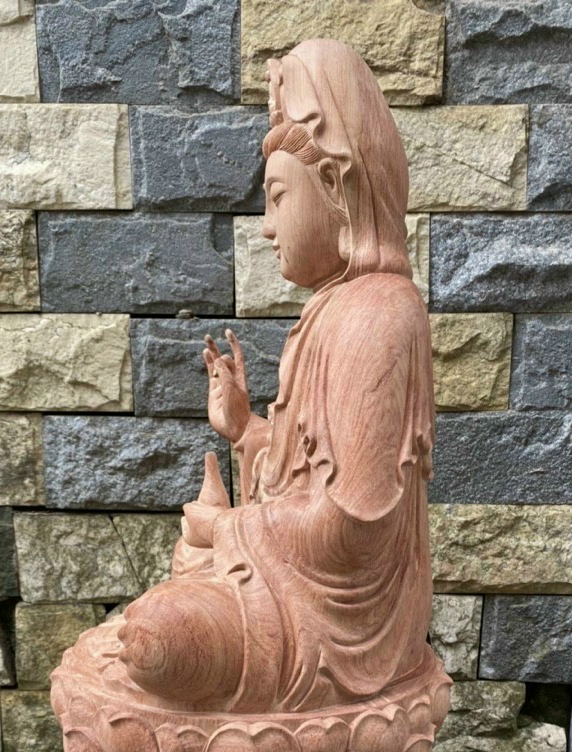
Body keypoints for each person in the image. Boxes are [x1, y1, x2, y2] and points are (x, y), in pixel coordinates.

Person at [117, 38, 436, 715]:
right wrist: (246, 430)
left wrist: (226, 529)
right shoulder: (332, 308)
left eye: (277, 198)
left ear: (336, 188)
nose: (266, 229)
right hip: (292, 586)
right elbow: (307, 479)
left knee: (158, 640)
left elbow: (353, 525)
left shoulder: (378, 314)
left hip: (339, 627)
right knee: (168, 608)